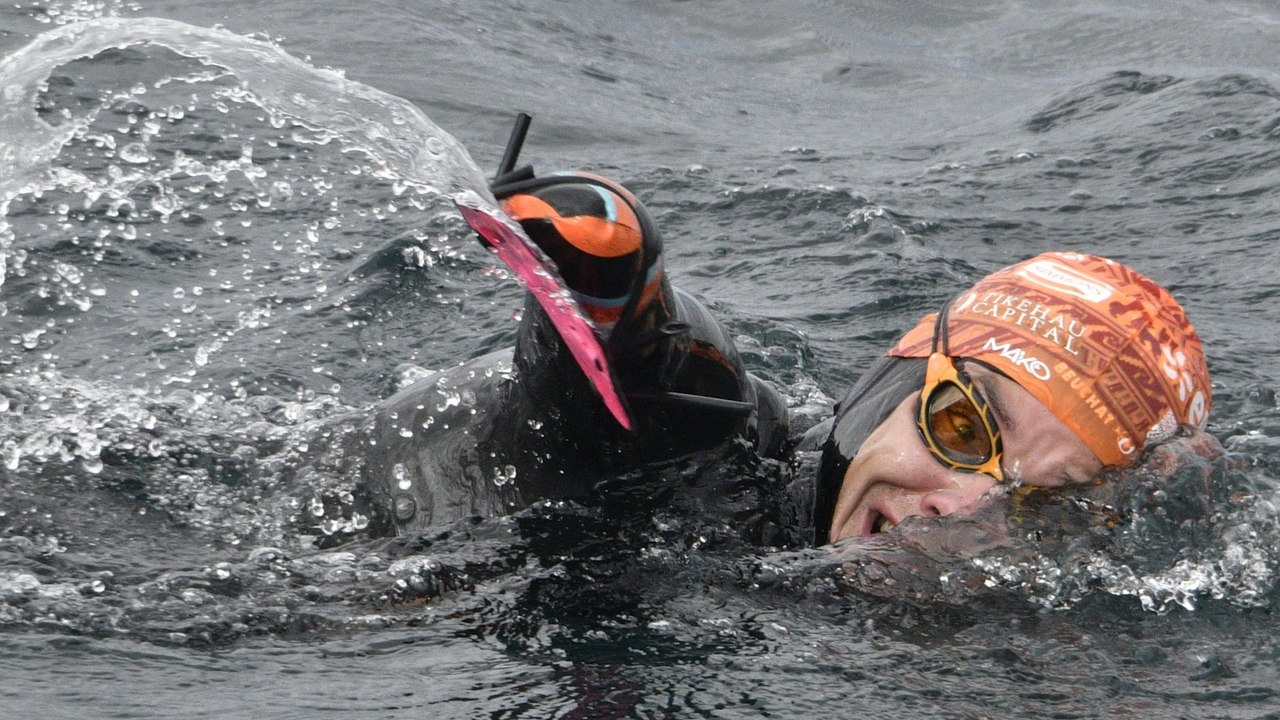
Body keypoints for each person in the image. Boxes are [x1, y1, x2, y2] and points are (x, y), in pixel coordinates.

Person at [350, 167, 1212, 546]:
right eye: (959, 424)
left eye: (1039, 507)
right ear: (898, 373)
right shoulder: (709, 440)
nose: (966, 507)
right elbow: (641, 379)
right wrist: (605, 279)